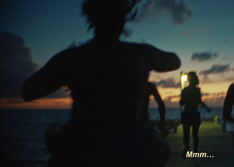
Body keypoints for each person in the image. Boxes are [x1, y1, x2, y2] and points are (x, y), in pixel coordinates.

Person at [22, 0, 180, 166]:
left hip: (78, 147)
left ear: (91, 17)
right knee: (162, 148)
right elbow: (175, 61)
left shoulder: (71, 58)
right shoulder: (141, 54)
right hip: (127, 146)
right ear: (124, 18)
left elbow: (28, 92)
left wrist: (64, 71)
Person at [180, 72, 211, 155]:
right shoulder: (196, 90)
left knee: (187, 133)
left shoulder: (186, 90)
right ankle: (195, 149)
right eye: (196, 78)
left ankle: (188, 146)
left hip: (188, 113)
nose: (198, 79)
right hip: (193, 113)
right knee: (195, 133)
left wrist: (206, 107)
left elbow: (181, 102)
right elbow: (199, 101)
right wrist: (206, 108)